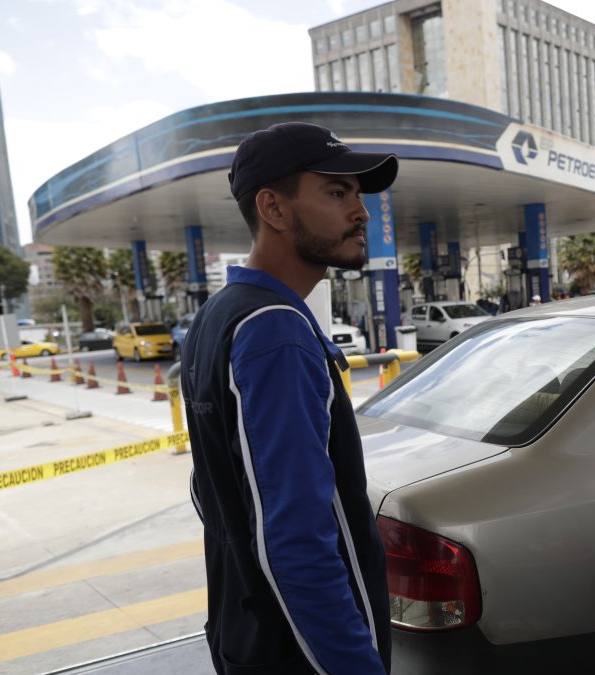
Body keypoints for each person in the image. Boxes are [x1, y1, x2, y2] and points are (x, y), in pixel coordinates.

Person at [181, 122, 398, 674]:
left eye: (357, 192)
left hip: (243, 634)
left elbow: (209, 490)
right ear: (273, 209)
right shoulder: (275, 331)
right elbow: (295, 541)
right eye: (335, 191)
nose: (361, 211)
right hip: (301, 657)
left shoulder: (216, 317)